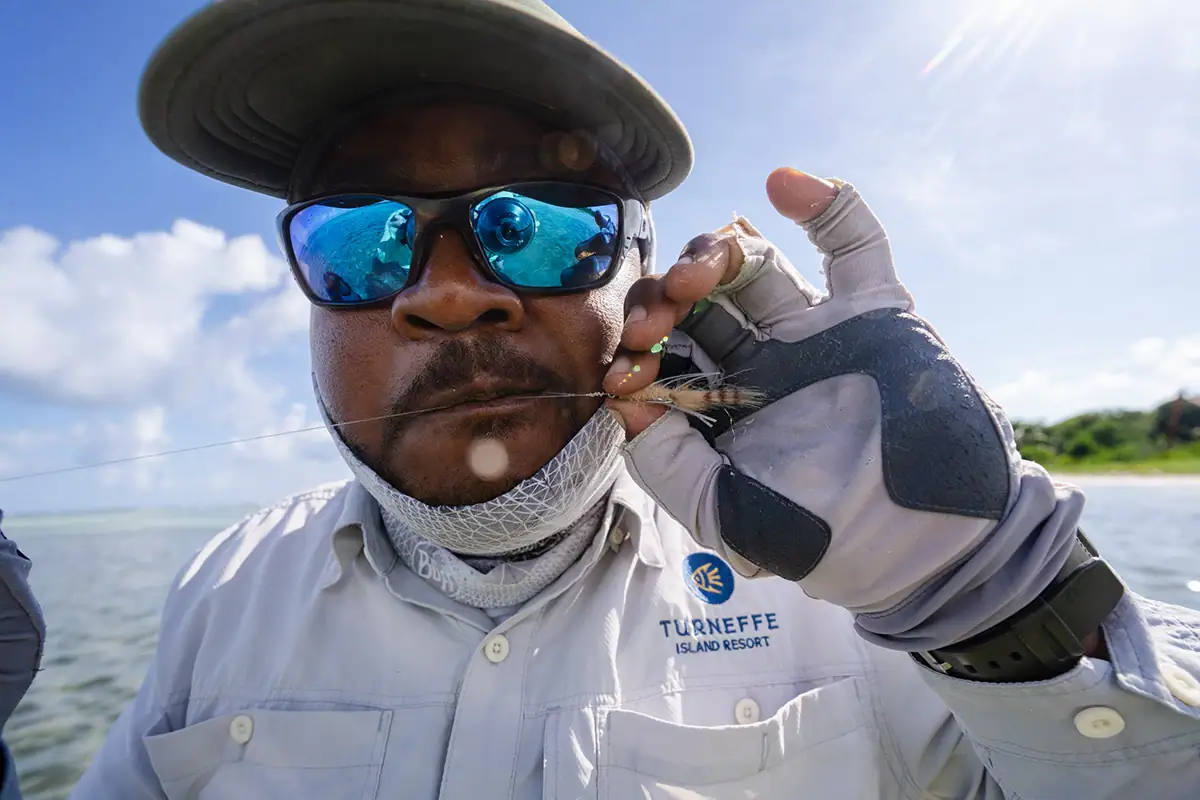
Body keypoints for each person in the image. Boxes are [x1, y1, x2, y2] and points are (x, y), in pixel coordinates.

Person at [53, 0, 1200, 797]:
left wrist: (996, 605)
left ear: (642, 278)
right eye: (361, 238)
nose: (451, 296)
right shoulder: (223, 591)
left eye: (540, 224)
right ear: (306, 289)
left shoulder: (862, 583)